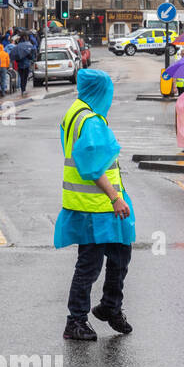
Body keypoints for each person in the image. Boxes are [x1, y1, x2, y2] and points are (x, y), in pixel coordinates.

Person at [54, 69, 136, 341]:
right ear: (100, 92)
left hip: (100, 203)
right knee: (89, 264)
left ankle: (110, 307)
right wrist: (115, 197)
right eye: (108, 92)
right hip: (96, 204)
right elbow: (91, 167)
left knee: (120, 254)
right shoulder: (90, 121)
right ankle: (75, 320)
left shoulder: (77, 110)